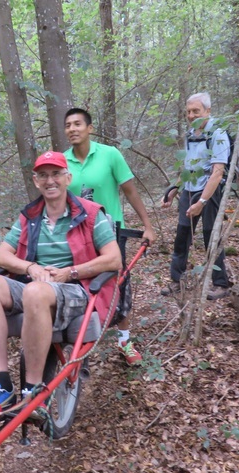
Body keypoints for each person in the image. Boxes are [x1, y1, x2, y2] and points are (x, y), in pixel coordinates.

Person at [0, 151, 122, 418]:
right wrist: (30, 267)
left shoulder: (90, 214)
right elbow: (0, 255)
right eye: (43, 175)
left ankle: (33, 390)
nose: (49, 180)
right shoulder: (30, 216)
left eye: (55, 174)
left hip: (77, 288)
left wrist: (70, 272)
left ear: (68, 178)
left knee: (35, 291)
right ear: (36, 181)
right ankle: (2, 383)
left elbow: (114, 259)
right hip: (36, 283)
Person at [63, 107, 155, 365]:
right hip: (76, 235)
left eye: (78, 123)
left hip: (112, 233)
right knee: (78, 283)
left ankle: (125, 340)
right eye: (68, 125)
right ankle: (80, 340)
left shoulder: (110, 155)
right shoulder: (62, 160)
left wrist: (147, 225)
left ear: (90, 128)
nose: (72, 129)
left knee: (119, 284)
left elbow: (130, 190)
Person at [160, 92, 230, 301]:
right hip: (189, 190)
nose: (191, 115)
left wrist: (202, 201)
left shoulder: (217, 134)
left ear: (208, 111)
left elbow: (217, 172)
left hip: (210, 191)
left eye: (196, 111)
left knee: (211, 236)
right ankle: (177, 281)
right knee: (182, 236)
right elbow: (189, 166)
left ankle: (221, 283)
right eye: (188, 111)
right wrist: (174, 189)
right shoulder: (191, 134)